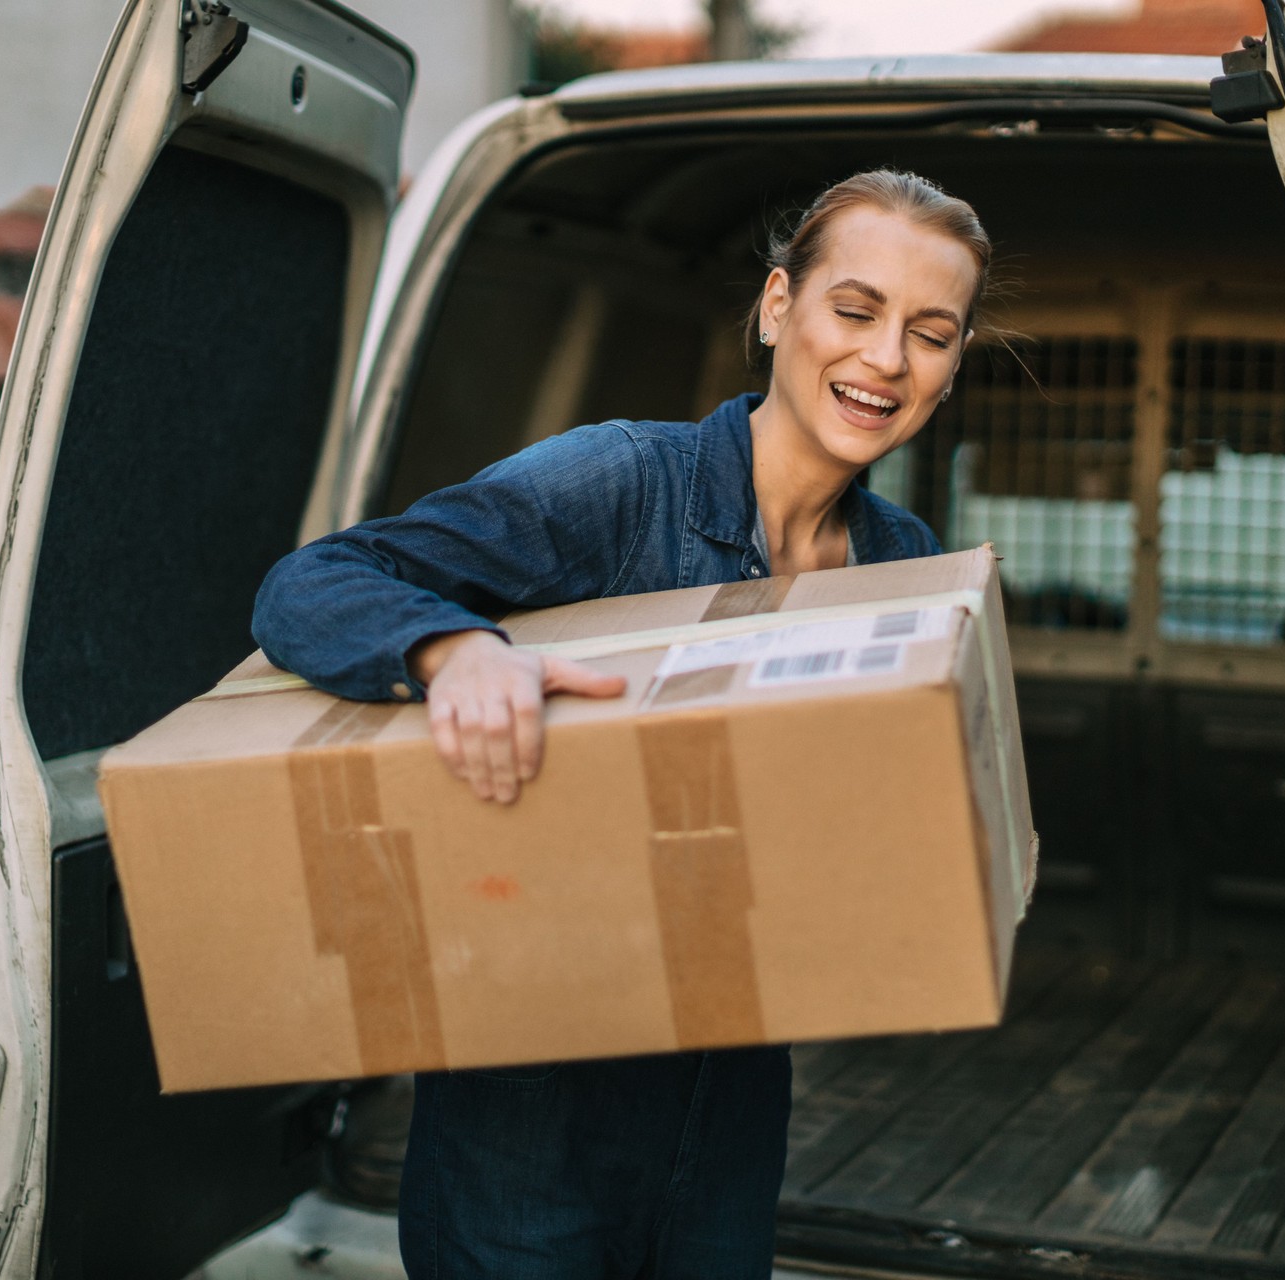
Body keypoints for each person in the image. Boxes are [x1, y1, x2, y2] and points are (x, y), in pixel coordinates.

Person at [252, 168, 993, 1280]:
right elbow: (313, 585)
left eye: (929, 333)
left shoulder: (904, 563)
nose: (886, 359)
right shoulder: (620, 482)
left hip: (729, 1102)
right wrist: (455, 651)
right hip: (531, 1097)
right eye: (856, 310)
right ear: (778, 306)